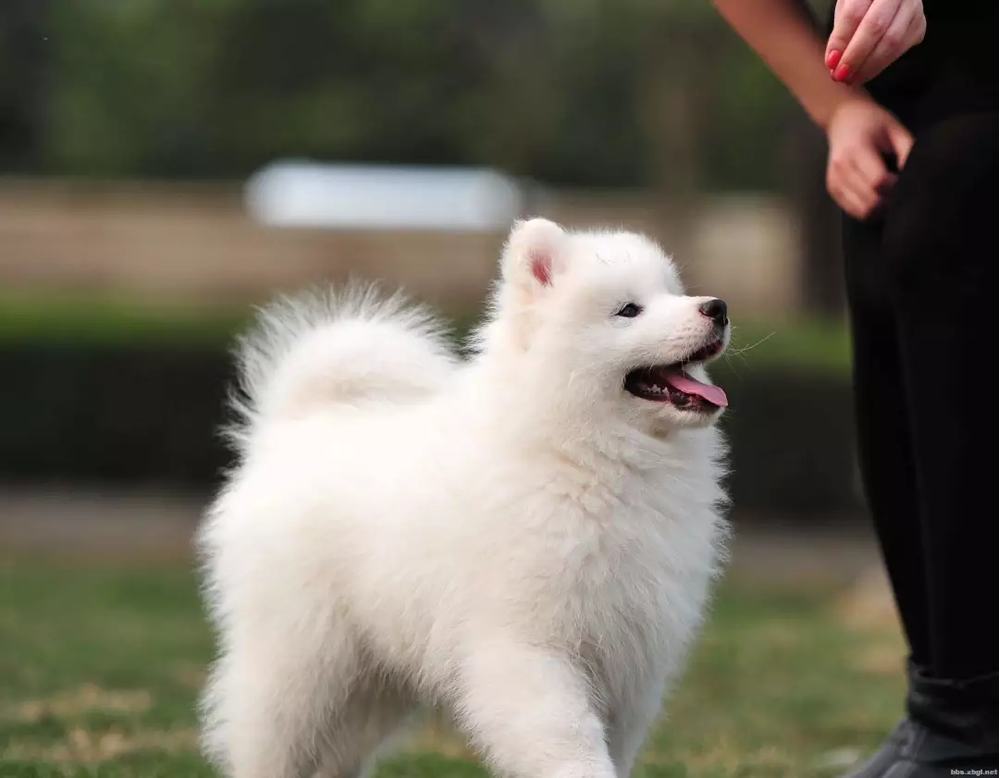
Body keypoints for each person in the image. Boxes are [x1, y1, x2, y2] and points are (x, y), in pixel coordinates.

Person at [711, 0, 997, 775]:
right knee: (898, 223)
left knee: (955, 193)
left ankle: (974, 722)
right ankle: (954, 709)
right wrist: (837, 109)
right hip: (906, 93)